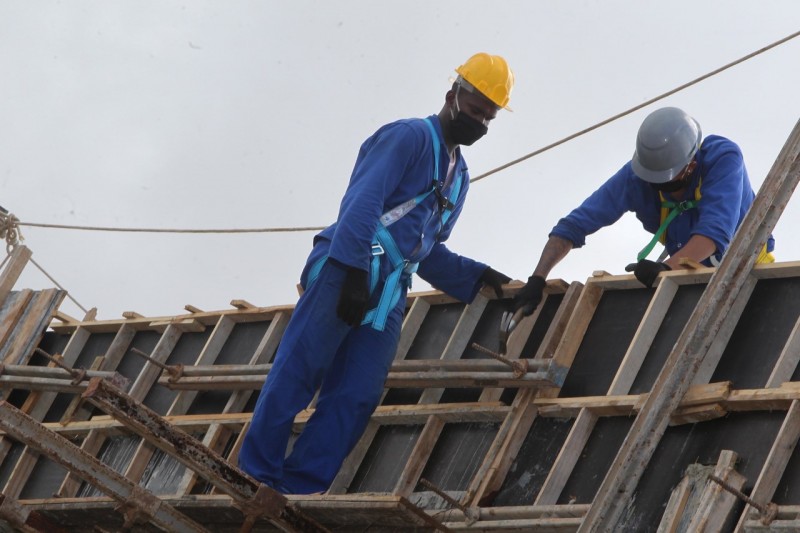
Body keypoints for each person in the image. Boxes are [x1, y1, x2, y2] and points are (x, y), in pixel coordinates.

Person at [239, 53, 515, 494]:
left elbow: (425, 250)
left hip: (388, 292)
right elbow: (362, 204)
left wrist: (479, 276)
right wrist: (350, 271)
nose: (479, 120)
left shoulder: (459, 176)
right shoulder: (408, 137)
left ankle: (299, 489)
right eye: (474, 107)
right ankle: (256, 474)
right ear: (452, 96)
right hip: (347, 267)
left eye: (488, 115)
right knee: (298, 371)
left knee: (357, 393)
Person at [509, 106, 775, 318]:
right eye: (655, 181)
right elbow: (573, 226)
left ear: (691, 165)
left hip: (750, 271)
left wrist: (663, 267)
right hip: (687, 284)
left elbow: (713, 235)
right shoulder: (637, 178)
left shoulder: (722, 159)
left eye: (669, 181)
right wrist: (537, 278)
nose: (662, 188)